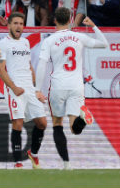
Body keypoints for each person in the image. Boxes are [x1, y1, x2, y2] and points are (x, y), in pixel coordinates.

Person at [35, 9, 108, 170]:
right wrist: (94, 26)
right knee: (75, 129)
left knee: (57, 124)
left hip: (58, 86)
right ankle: (83, 118)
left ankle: (67, 164)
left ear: (55, 21)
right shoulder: (79, 37)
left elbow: (42, 65)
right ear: (70, 20)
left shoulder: (50, 40)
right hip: (76, 86)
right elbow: (104, 43)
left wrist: (37, 89)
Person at [0, 11, 47, 169]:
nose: (19, 26)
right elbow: (0, 70)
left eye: (21, 24)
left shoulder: (25, 42)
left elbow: (29, 66)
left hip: (29, 89)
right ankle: (18, 162)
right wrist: (14, 88)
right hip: (14, 88)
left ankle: (34, 154)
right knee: (17, 123)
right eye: (15, 23)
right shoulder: (2, 44)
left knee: (42, 123)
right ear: (9, 25)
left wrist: (36, 89)